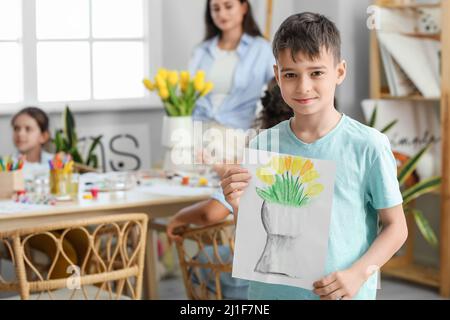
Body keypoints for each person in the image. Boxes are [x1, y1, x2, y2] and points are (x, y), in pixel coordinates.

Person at [220, 12, 408, 300]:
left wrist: (359, 274)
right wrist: (236, 206)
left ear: (340, 72)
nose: (303, 86)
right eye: (291, 74)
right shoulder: (261, 145)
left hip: (340, 294)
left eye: (316, 72)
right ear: (277, 76)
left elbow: (396, 228)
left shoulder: (368, 145)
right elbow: (257, 234)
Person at [166, 80, 293, 299]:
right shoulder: (305, 149)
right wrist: (218, 166)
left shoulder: (263, 151)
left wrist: (178, 217)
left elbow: (211, 213)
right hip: (295, 269)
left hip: (251, 275)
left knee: (203, 256)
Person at [189, 0, 275, 131]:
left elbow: (279, 86)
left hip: (238, 132)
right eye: (216, 9)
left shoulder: (261, 48)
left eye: (228, 6)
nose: (222, 14)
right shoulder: (201, 51)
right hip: (198, 128)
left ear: (244, 8)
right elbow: (189, 93)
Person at [11, 107, 53, 181]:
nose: (20, 134)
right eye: (16, 128)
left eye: (28, 129)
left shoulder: (55, 163)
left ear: (43, 136)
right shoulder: (8, 165)